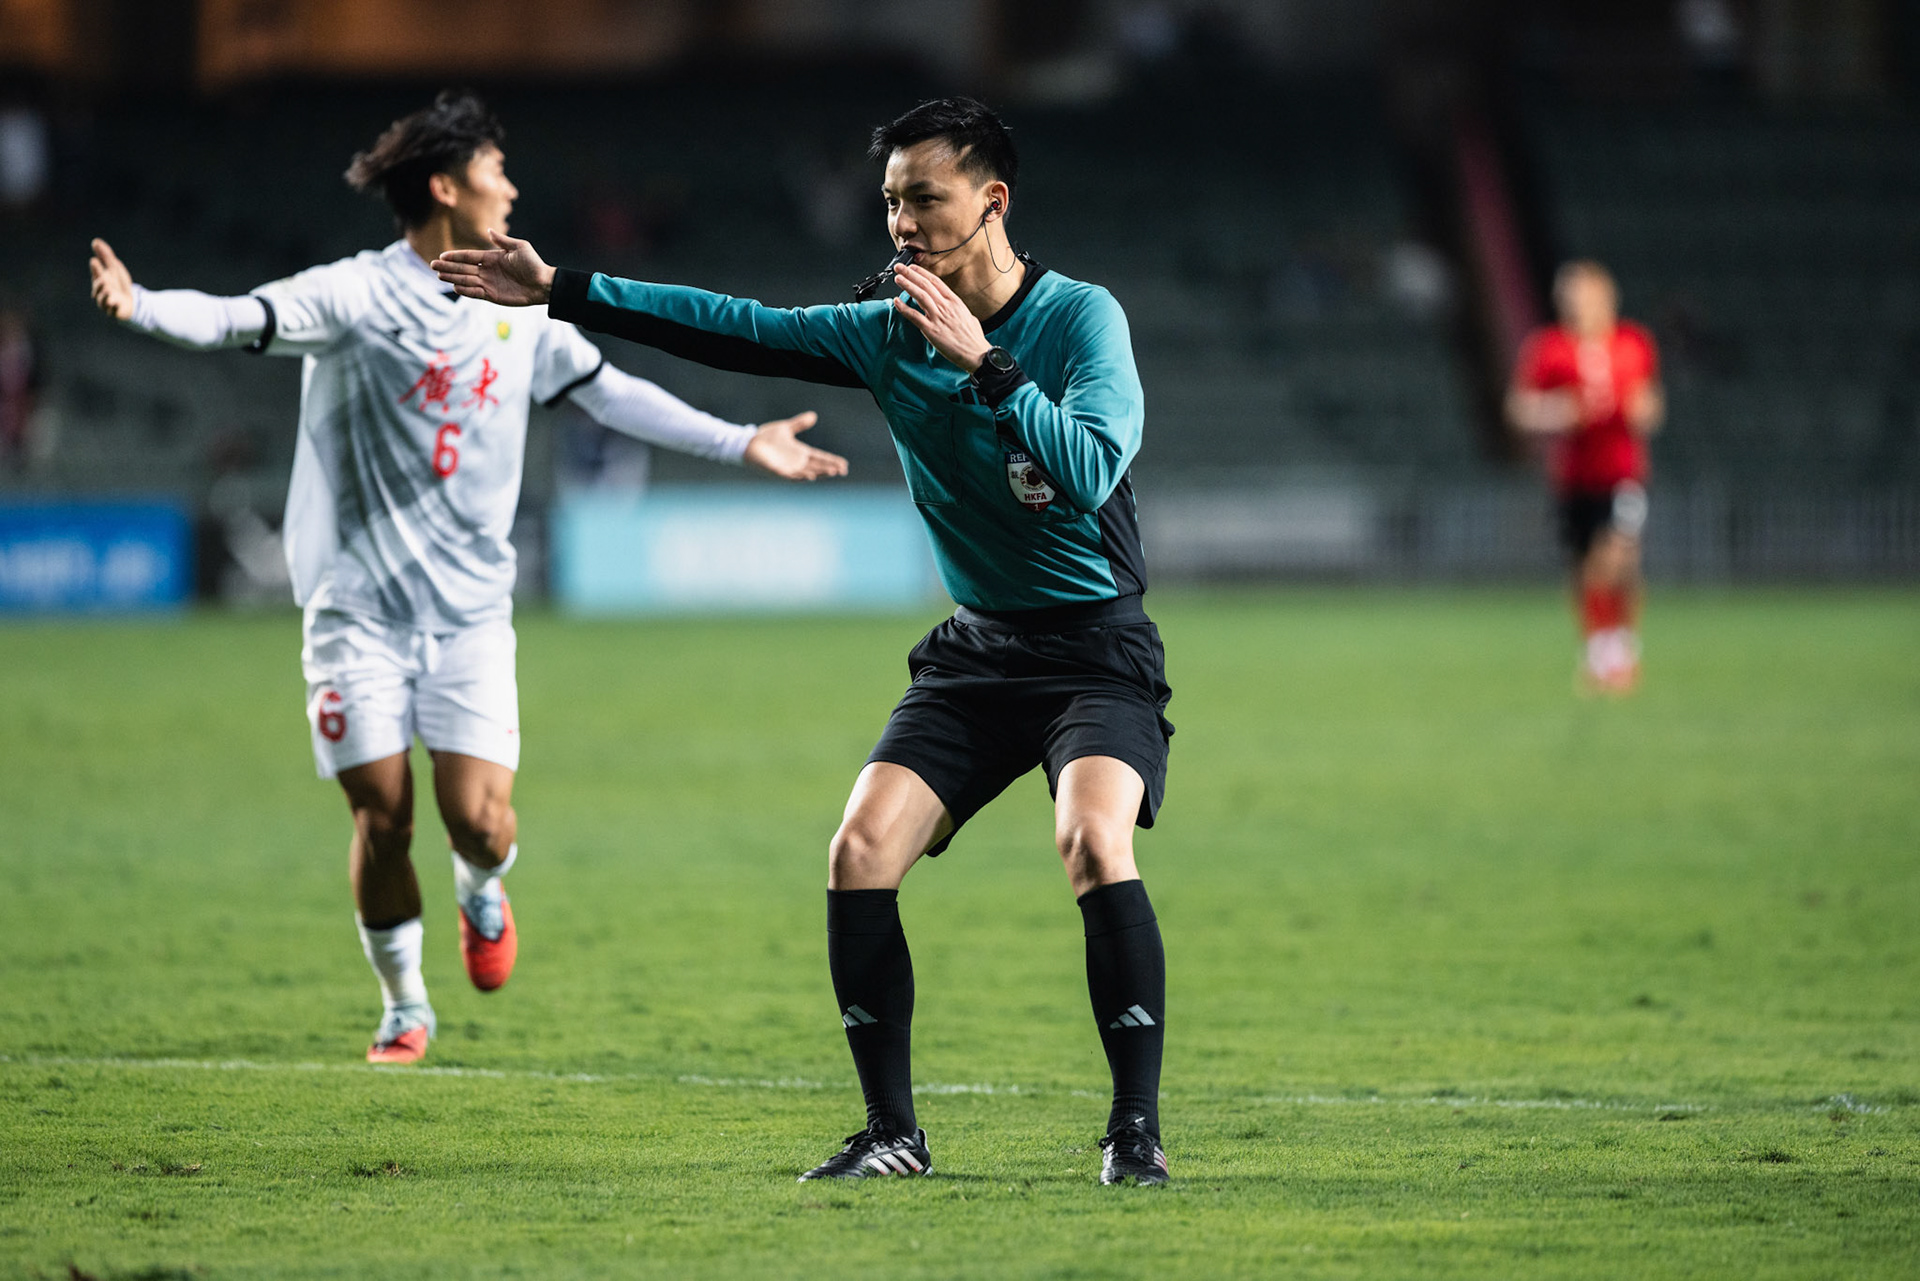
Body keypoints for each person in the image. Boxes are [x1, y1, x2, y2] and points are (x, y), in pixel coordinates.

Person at [435, 97, 1175, 1187]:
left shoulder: (1080, 321)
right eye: (890, 203)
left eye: (925, 198)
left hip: (1093, 652)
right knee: (857, 854)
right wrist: (561, 292)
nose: (903, 224)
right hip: (977, 655)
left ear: (992, 200)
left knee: (1092, 844)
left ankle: (1133, 1133)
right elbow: (735, 324)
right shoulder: (883, 335)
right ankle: (893, 1134)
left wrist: (987, 363)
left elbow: (1089, 469)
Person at [88, 90, 846, 1066]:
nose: (515, 186)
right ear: (446, 188)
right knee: (383, 814)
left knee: (479, 824)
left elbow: (610, 394)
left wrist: (743, 442)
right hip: (355, 613)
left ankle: (483, 890)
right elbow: (238, 318)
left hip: (471, 617)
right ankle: (404, 1005)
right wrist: (141, 304)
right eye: (499, 171)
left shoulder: (519, 305)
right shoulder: (356, 295)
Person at [1507, 261, 1664, 694]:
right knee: (1584, 571)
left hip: (1623, 473)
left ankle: (1621, 650)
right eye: (1569, 294)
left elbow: (1650, 402)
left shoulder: (1632, 342)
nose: (1576, 302)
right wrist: (1558, 411)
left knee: (1617, 559)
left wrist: (1642, 411)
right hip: (1574, 476)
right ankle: (1600, 654)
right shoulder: (1549, 347)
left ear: (1605, 295)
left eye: (1583, 293)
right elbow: (1520, 407)